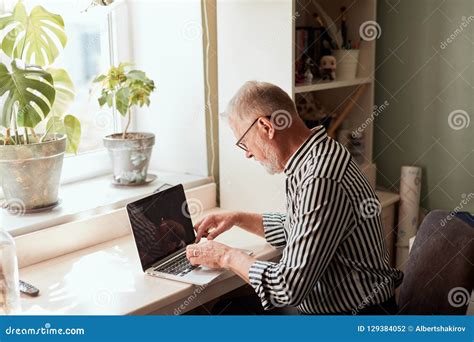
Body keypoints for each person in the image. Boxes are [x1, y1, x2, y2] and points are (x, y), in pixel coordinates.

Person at [186, 81, 403, 315]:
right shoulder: (318, 154)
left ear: (266, 127)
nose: (248, 153)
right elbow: (299, 228)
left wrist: (225, 256)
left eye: (244, 143)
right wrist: (237, 218)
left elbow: (287, 287)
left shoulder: (320, 177)